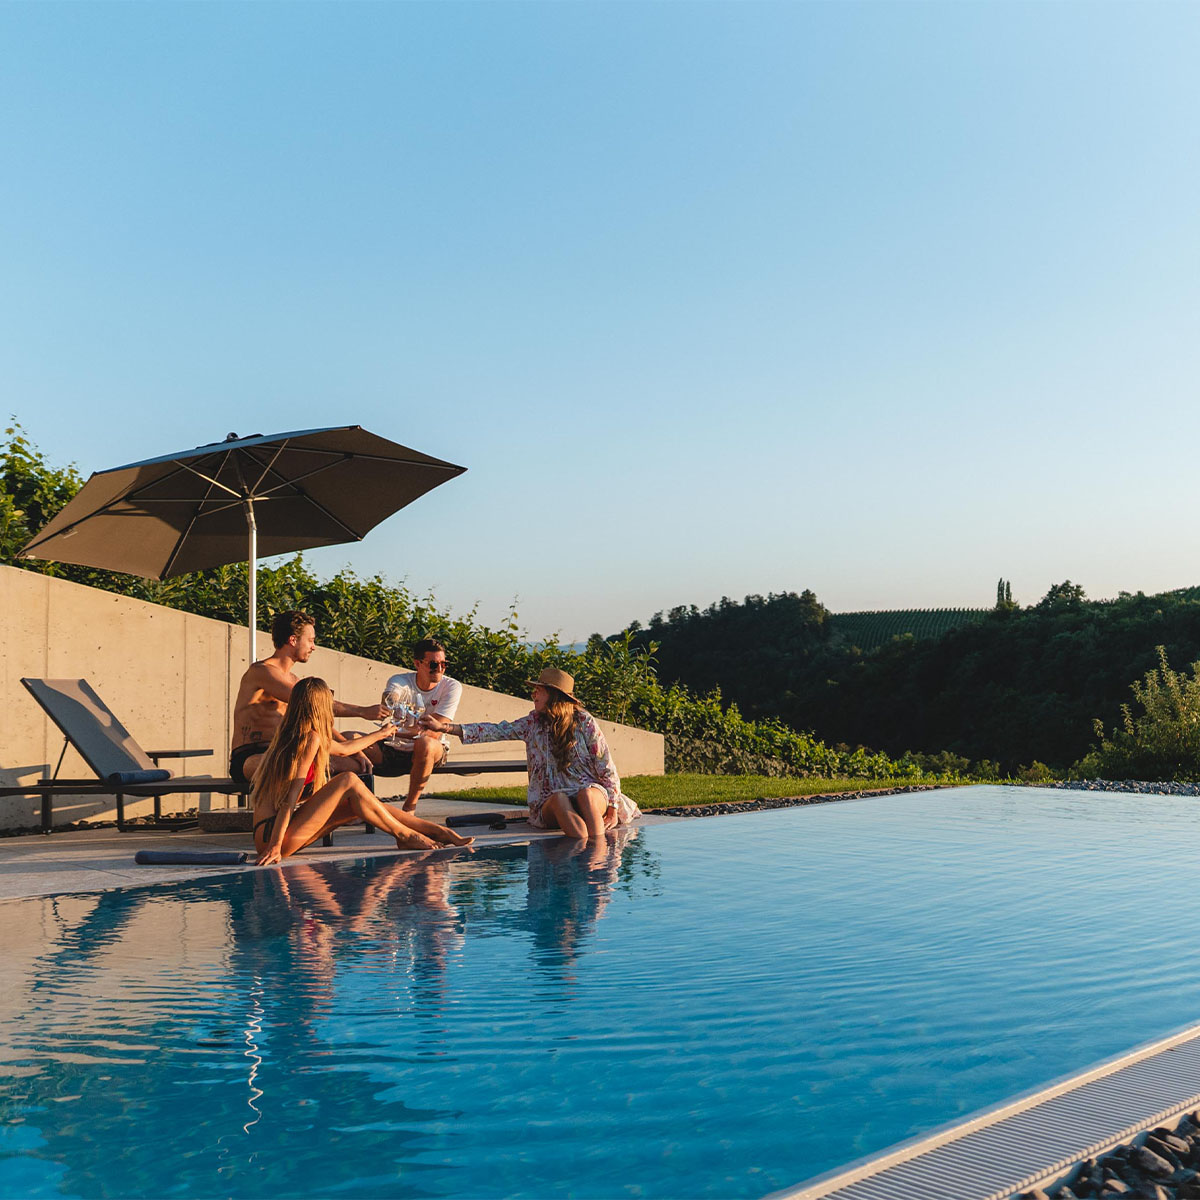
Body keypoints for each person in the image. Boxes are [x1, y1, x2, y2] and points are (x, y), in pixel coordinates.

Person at [252, 676, 474, 866]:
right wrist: (275, 847)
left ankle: (438, 832)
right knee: (348, 779)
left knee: (361, 803)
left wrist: (383, 733)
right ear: (320, 707)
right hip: (271, 836)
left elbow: (345, 748)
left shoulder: (298, 734)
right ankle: (407, 834)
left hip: (275, 832)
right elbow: (288, 800)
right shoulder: (310, 739)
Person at [421, 667, 640, 839]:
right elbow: (495, 730)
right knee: (560, 799)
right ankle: (585, 855)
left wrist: (612, 808)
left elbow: (606, 767)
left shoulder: (584, 722)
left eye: (539, 689)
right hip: (551, 802)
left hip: (588, 795)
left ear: (553, 695)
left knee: (587, 794)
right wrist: (446, 728)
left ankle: (598, 861)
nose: (533, 693)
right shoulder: (532, 724)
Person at [229, 610, 387, 790]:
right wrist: (362, 711)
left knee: (357, 766)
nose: (314, 647)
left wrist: (355, 752)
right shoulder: (261, 671)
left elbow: (319, 718)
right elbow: (314, 704)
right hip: (251, 756)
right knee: (293, 767)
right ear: (293, 640)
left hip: (285, 751)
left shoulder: (295, 680)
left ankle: (344, 817)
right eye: (310, 640)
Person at [367, 638, 462, 813]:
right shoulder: (401, 680)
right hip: (394, 747)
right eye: (434, 664)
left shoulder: (451, 686)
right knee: (350, 739)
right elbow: (391, 695)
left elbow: (433, 733)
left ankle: (409, 807)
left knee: (424, 743)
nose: (440, 669)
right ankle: (359, 807)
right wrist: (391, 699)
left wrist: (389, 732)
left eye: (444, 664)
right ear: (417, 664)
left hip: (430, 751)